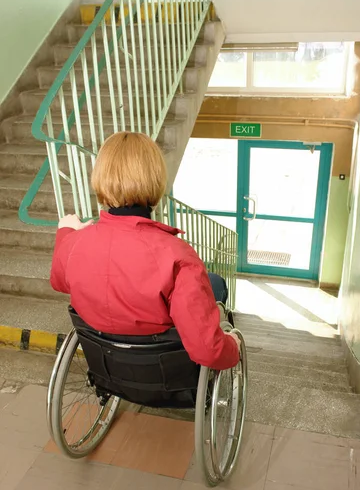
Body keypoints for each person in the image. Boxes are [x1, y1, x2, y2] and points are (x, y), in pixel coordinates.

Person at [50, 132, 240, 371]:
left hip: (107, 362)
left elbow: (59, 281)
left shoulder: (75, 243)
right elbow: (209, 351)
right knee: (216, 284)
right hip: (163, 371)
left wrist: (66, 232)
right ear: (155, 178)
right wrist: (233, 346)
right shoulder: (178, 256)